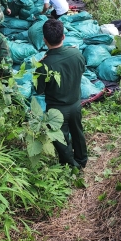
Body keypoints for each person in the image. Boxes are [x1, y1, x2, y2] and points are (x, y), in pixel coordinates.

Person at [35, 19, 87, 169]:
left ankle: (70, 166)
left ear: (44, 40)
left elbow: (39, 90)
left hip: (57, 109)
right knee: (78, 132)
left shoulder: (43, 65)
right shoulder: (76, 53)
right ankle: (82, 160)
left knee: (61, 138)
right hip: (76, 104)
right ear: (63, 36)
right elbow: (82, 70)